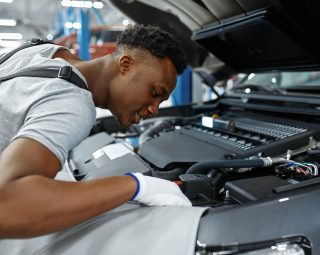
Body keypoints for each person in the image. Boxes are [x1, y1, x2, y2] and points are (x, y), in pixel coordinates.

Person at [0, 24, 191, 238]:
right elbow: (8, 205)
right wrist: (137, 186)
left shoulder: (38, 50)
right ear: (125, 64)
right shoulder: (72, 101)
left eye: (161, 101)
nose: (154, 110)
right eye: (155, 92)